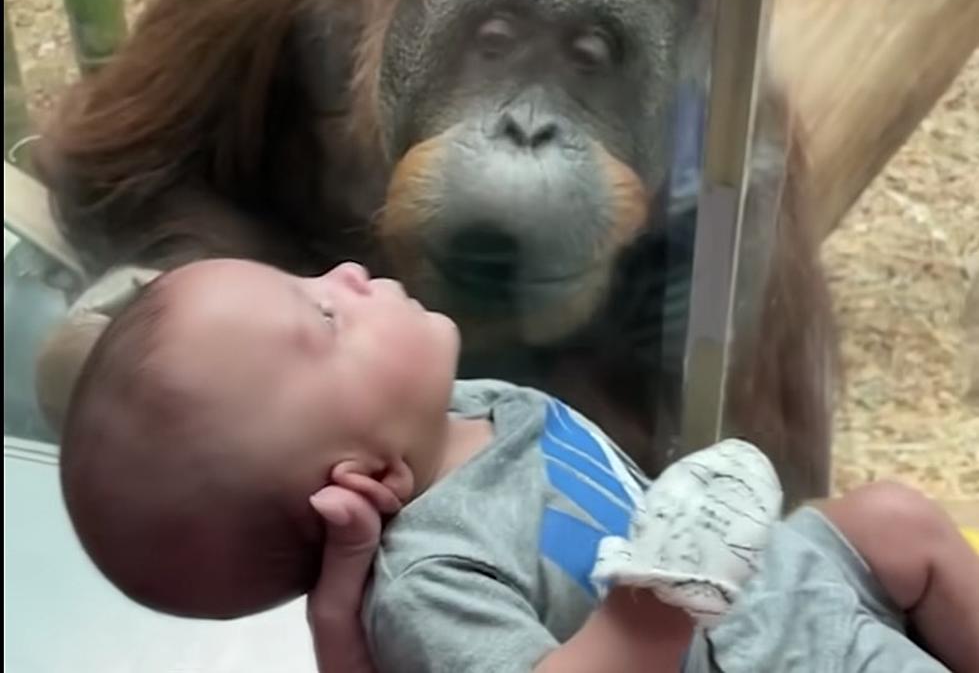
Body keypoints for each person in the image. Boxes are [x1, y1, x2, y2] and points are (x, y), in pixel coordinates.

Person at [57, 258, 979, 672]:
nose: (343, 271)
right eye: (323, 319)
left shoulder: (460, 409)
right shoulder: (428, 580)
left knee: (894, 517)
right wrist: (649, 610)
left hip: (767, 593)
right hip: (761, 655)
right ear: (355, 470)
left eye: (305, 275)